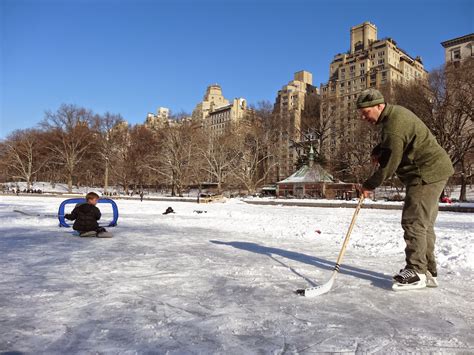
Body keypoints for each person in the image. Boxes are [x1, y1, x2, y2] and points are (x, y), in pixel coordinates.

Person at [357, 89, 454, 290]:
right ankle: (428, 271)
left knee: (413, 221)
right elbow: (397, 142)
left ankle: (417, 271)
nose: (363, 117)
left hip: (425, 173)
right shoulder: (394, 115)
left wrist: (369, 185)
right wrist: (379, 150)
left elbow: (389, 165)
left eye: (366, 112)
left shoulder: (393, 125)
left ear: (379, 106)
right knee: (423, 224)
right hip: (436, 169)